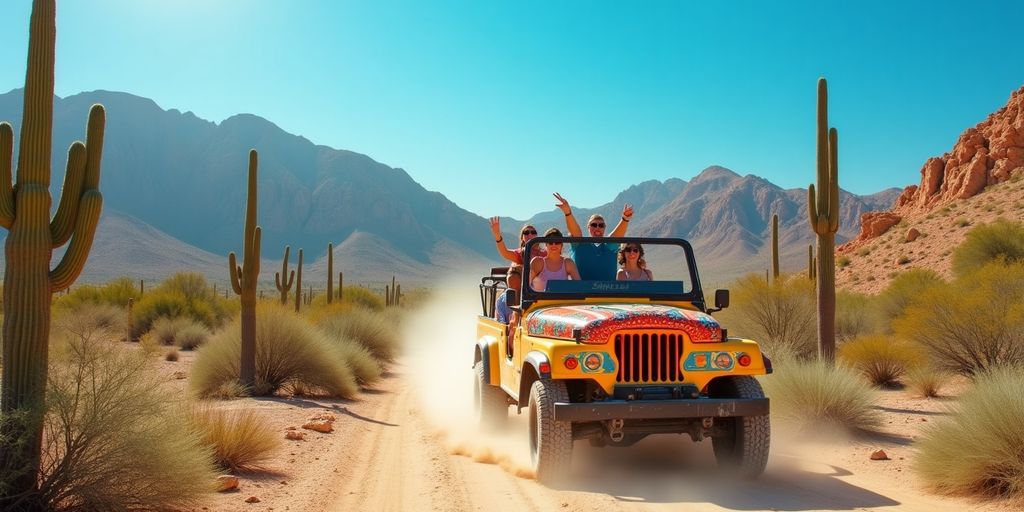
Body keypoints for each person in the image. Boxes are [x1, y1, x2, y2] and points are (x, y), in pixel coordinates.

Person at [553, 192, 634, 280]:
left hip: (607, 292)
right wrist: (568, 213)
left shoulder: (609, 247)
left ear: (604, 227)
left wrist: (625, 219)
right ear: (588, 227)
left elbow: (616, 236)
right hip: (581, 292)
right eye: (594, 225)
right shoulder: (580, 245)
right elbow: (575, 232)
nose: (597, 228)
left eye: (601, 225)